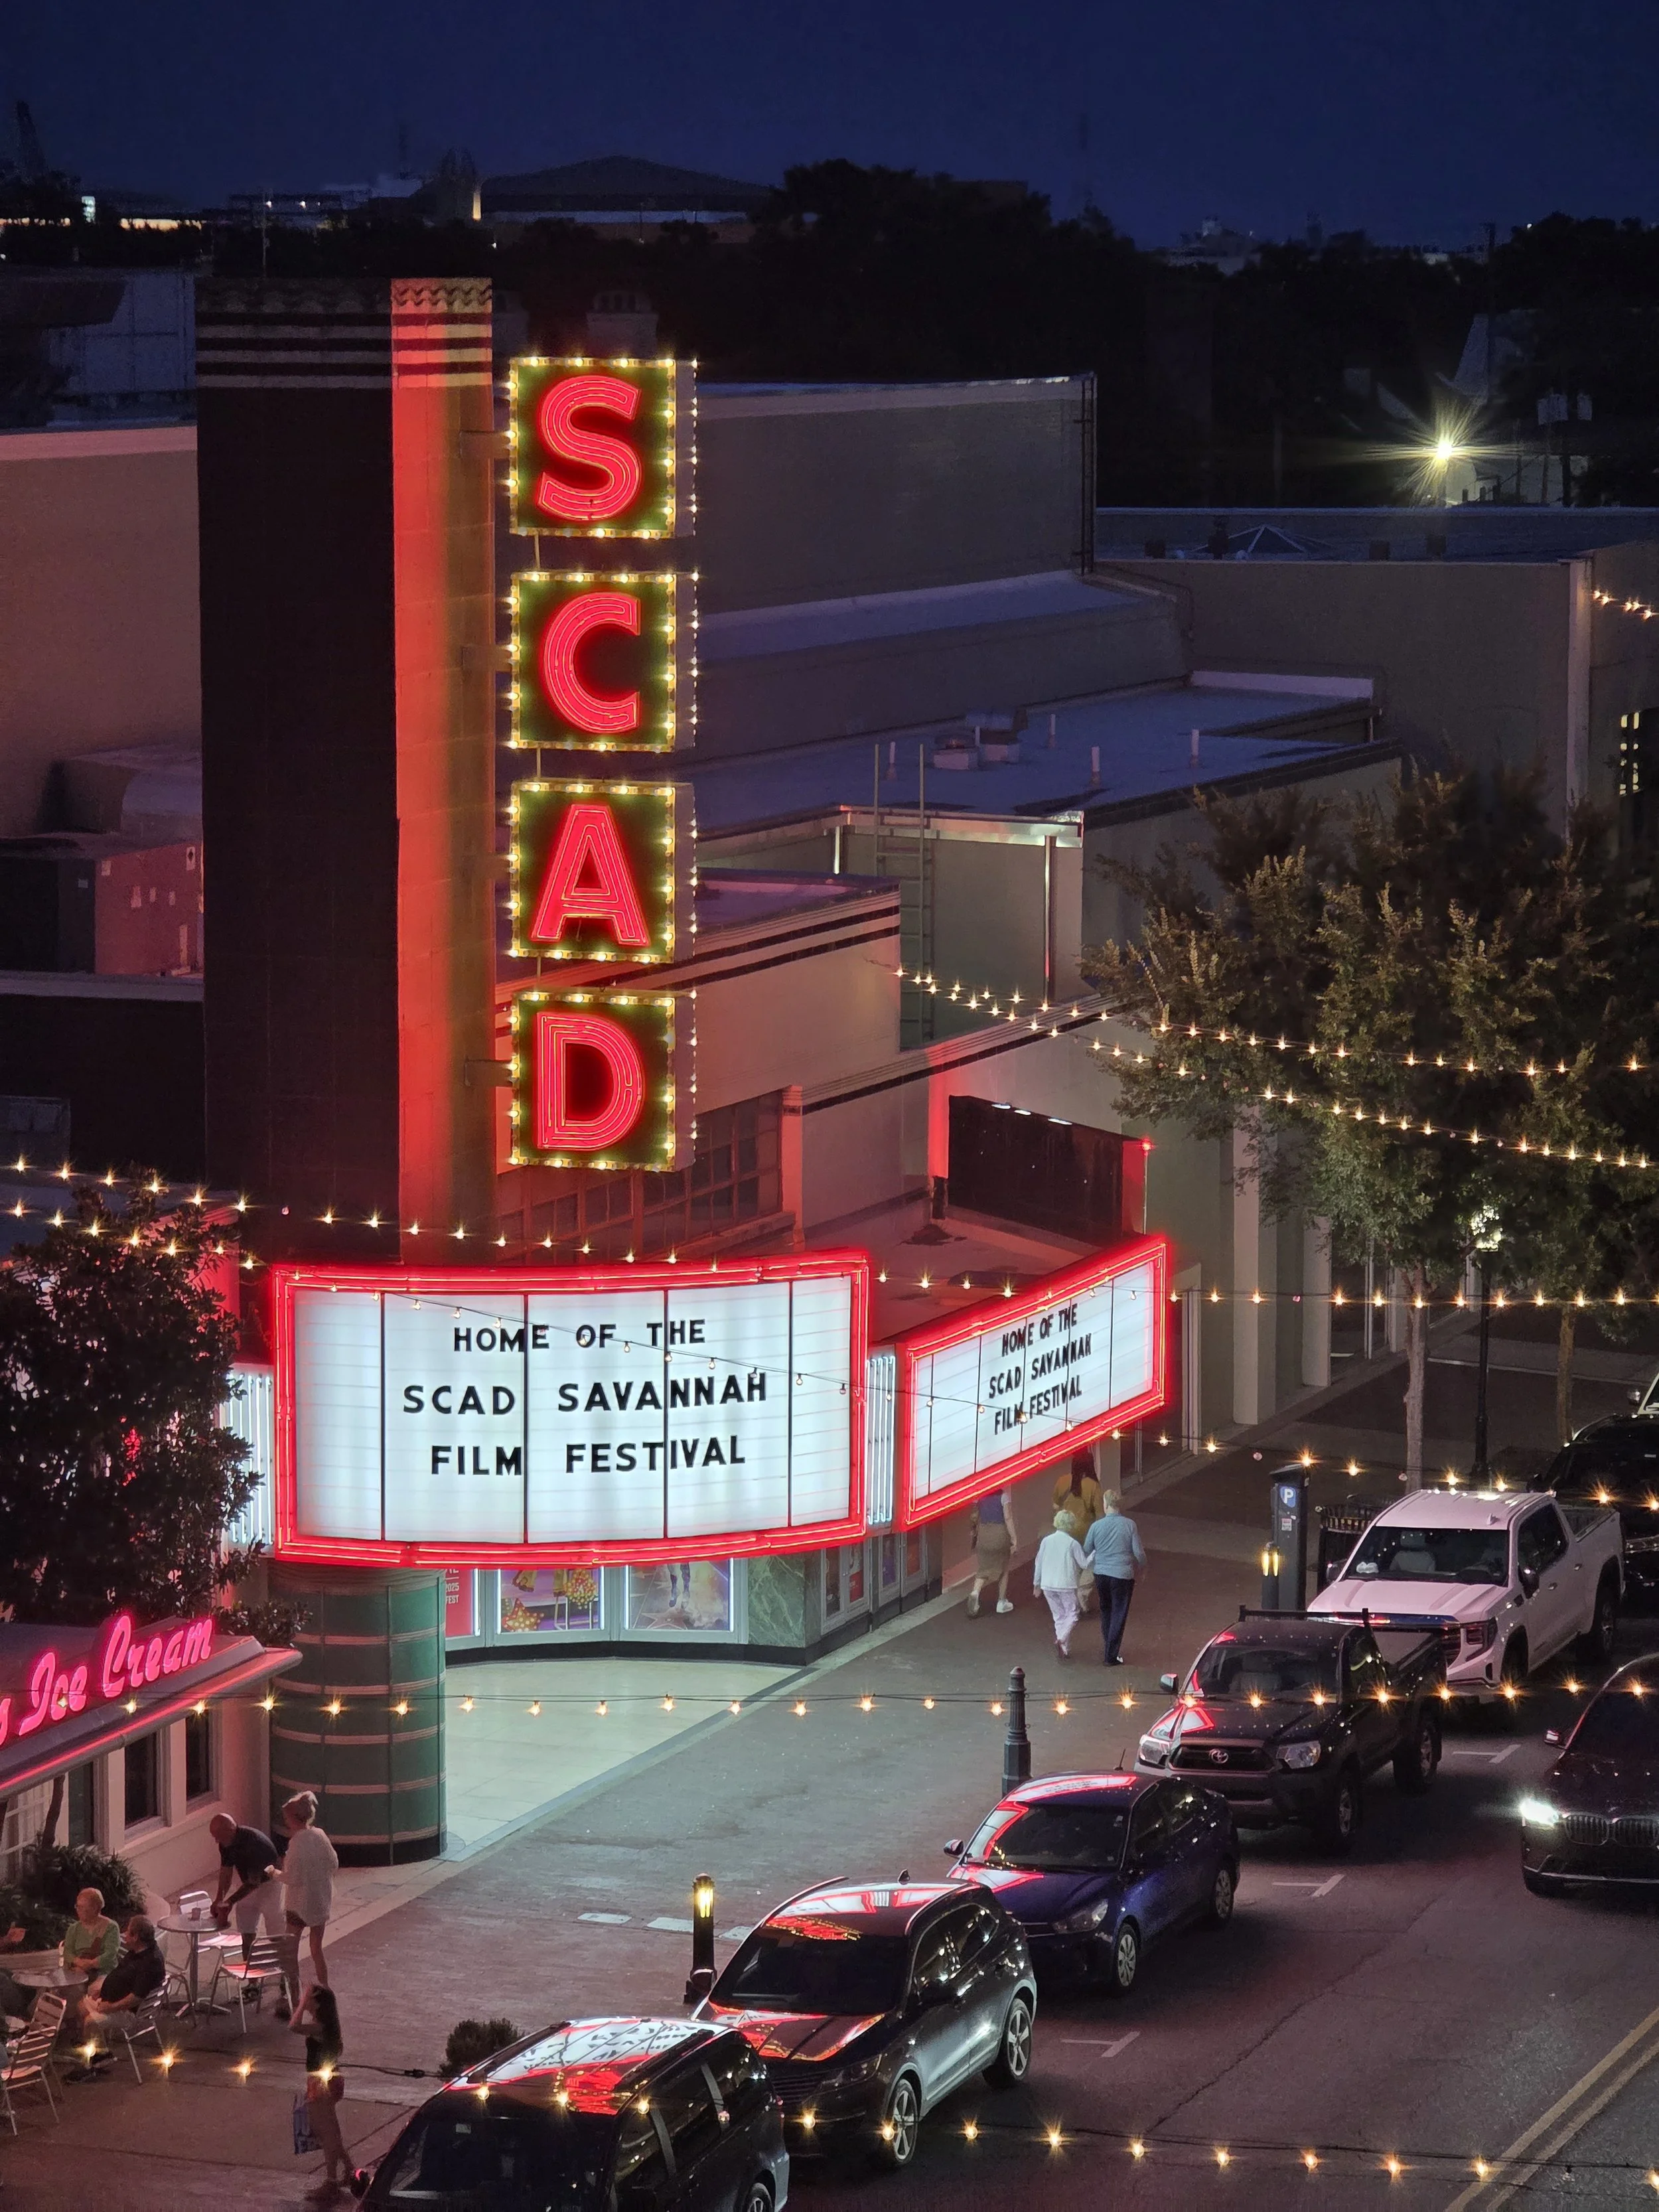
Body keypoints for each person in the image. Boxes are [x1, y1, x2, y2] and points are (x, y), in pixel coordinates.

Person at [209, 1810, 296, 2011]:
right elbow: (226, 1871)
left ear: (230, 1830)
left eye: (218, 1836)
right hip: (249, 1885)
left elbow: (253, 1883)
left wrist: (229, 1902)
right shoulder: (226, 1843)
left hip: (270, 1886)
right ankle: (253, 1982)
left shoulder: (255, 1844)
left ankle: (286, 1980)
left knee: (277, 1936)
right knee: (246, 1933)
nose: (216, 1841)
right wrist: (219, 1898)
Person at [65, 1915, 166, 2075]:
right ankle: (100, 2051)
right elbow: (121, 1975)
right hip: (113, 2001)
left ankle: (94, 2061)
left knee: (91, 2021)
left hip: (129, 2012)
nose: (124, 1934)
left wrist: (111, 2007)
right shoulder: (138, 1951)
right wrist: (104, 1989)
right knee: (81, 2006)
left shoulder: (149, 1963)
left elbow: (136, 1998)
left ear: (136, 1937)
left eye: (128, 1932)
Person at [291, 1981, 349, 2196]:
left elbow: (293, 2026)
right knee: (328, 2130)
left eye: (309, 1997)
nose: (305, 1999)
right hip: (325, 2080)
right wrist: (307, 1999)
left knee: (327, 2133)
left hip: (322, 2083)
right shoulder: (325, 2023)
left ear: (317, 2003)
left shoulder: (320, 2026)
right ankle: (349, 2169)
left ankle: (331, 2180)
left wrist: (302, 2003)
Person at [277, 1792, 339, 1996]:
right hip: (320, 1902)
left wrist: (274, 1873)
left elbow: (292, 1878)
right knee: (316, 1950)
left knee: (291, 1952)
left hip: (298, 1904)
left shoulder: (296, 1843)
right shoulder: (320, 1836)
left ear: (293, 1819)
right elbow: (333, 1864)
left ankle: (292, 1994)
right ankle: (325, 1987)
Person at [1082, 1491, 1147, 1665]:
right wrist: (1142, 1567)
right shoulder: (1129, 1525)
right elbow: (1138, 1552)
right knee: (1119, 1612)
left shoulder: (1096, 1526)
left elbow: (1087, 1549)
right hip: (1122, 1575)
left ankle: (1109, 1645)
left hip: (1101, 1574)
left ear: (1106, 1505)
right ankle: (1111, 1654)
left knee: (1106, 1610)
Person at [1033, 1510, 1089, 1659]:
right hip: (1066, 1584)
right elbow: (1084, 1564)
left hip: (1047, 1584)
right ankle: (1062, 1639)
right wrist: (1094, 1554)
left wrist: (1036, 1584)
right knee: (1073, 1614)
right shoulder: (1073, 1544)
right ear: (1071, 1525)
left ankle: (1064, 1648)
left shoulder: (1047, 1541)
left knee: (1059, 1616)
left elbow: (1038, 1563)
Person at [967, 1487, 1017, 1615]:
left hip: (983, 1534)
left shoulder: (979, 1497)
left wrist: (973, 1534)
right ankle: (1002, 1602)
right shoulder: (1003, 1497)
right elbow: (1008, 1518)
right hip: (999, 1535)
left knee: (983, 1569)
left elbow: (974, 1517)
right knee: (1004, 1568)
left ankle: (975, 1593)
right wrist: (1014, 1538)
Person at [60, 1888, 118, 1986]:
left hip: (103, 1972)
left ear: (94, 1908)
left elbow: (110, 1954)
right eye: (77, 1907)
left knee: (95, 1989)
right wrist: (79, 1962)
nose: (78, 1910)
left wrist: (91, 1964)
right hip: (79, 1970)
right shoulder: (74, 1929)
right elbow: (68, 1952)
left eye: (82, 1907)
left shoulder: (111, 1927)